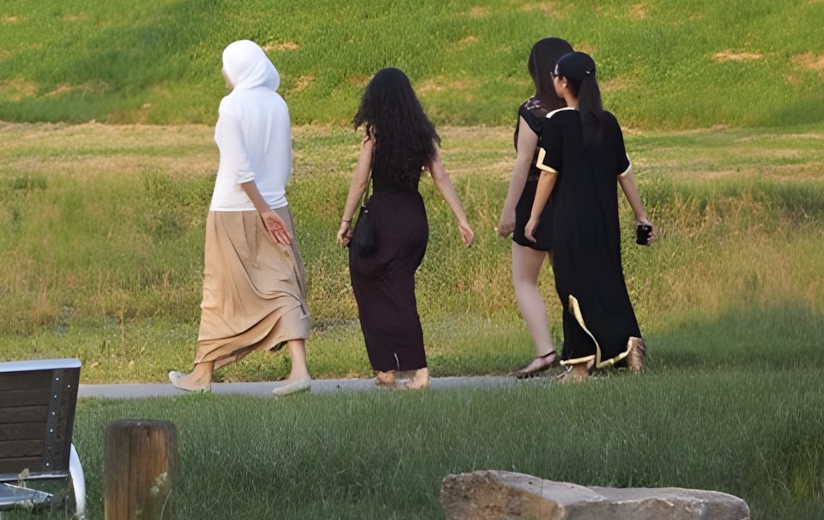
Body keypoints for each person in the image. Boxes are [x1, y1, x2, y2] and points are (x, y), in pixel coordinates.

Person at [171, 40, 312, 396]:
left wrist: (260, 208)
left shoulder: (231, 106)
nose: (223, 72)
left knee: (220, 289)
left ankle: (202, 374)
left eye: (226, 65)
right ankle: (299, 371)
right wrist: (270, 206)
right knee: (284, 283)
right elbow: (285, 161)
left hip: (233, 209)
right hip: (276, 206)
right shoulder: (279, 104)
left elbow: (238, 166)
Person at [335, 67, 475, 389]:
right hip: (413, 219)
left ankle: (408, 369)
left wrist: (345, 222)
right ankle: (391, 369)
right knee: (399, 289)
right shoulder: (421, 132)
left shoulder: (375, 133)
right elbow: (440, 176)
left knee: (368, 278)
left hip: (384, 219)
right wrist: (461, 219)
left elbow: (359, 182)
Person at [522, 50, 653, 377]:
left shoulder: (557, 123)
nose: (553, 80)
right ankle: (629, 343)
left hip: (572, 223)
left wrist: (534, 216)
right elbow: (624, 174)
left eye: (555, 76)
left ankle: (580, 366)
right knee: (608, 283)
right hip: (605, 223)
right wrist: (641, 217)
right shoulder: (608, 122)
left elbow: (549, 174)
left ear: (564, 82)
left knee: (572, 288)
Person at [494, 36, 576, 377]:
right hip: (571, 199)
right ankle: (582, 350)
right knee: (571, 281)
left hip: (534, 199)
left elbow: (524, 161)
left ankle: (545, 351)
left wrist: (509, 210)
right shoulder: (579, 108)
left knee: (525, 281)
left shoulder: (532, 111)